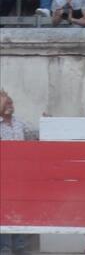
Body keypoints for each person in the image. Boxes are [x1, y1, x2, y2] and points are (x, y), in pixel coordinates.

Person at [0, 90, 33, 255]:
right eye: (7, 103)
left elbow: (34, 137)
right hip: (2, 172)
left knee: (19, 206)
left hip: (20, 172)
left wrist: (48, 122)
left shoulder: (19, 122)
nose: (10, 106)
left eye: (11, 103)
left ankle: (19, 245)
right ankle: (5, 246)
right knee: (3, 207)